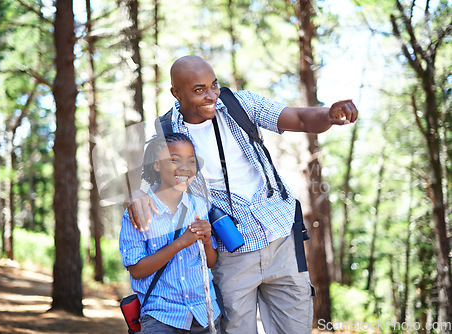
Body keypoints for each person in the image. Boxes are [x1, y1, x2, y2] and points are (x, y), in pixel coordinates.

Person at [127, 55, 358, 333]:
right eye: (199, 90)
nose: (211, 95)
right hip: (230, 250)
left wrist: (328, 115)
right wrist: (137, 196)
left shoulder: (240, 104)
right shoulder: (167, 132)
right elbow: (152, 181)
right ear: (176, 93)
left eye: (214, 85)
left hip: (280, 236)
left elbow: (298, 117)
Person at [119, 132, 222, 333]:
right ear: (157, 165)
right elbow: (137, 270)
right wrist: (180, 243)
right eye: (175, 160)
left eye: (191, 161)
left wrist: (208, 241)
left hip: (204, 313)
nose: (185, 167)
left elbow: (209, 262)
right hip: (161, 316)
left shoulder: (199, 206)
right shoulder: (138, 211)